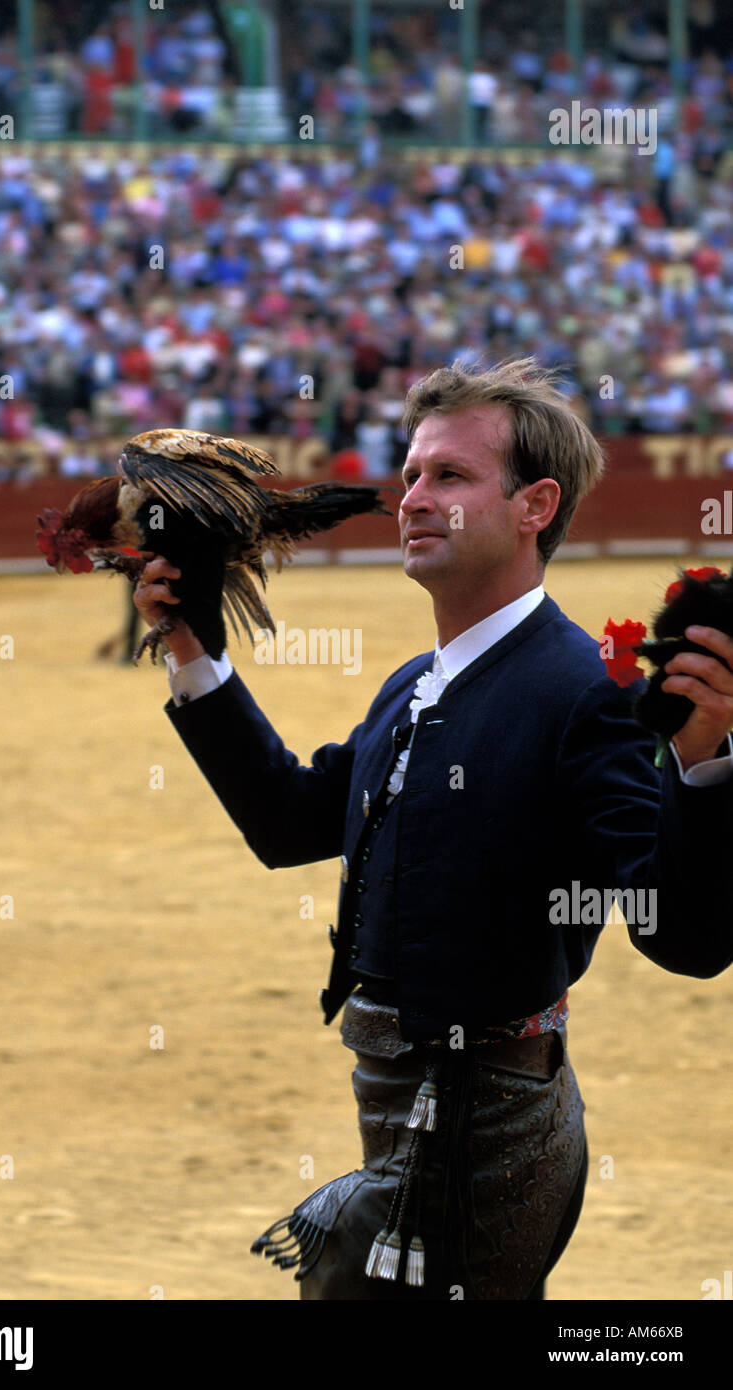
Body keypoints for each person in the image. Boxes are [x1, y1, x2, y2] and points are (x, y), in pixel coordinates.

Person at [133, 358, 733, 1300]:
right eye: (411, 473)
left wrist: (701, 767)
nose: (411, 497)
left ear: (534, 505)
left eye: (449, 476)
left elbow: (684, 939)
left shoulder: (592, 693)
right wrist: (192, 652)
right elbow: (290, 820)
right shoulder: (416, 682)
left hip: (486, 1133)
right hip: (408, 1111)